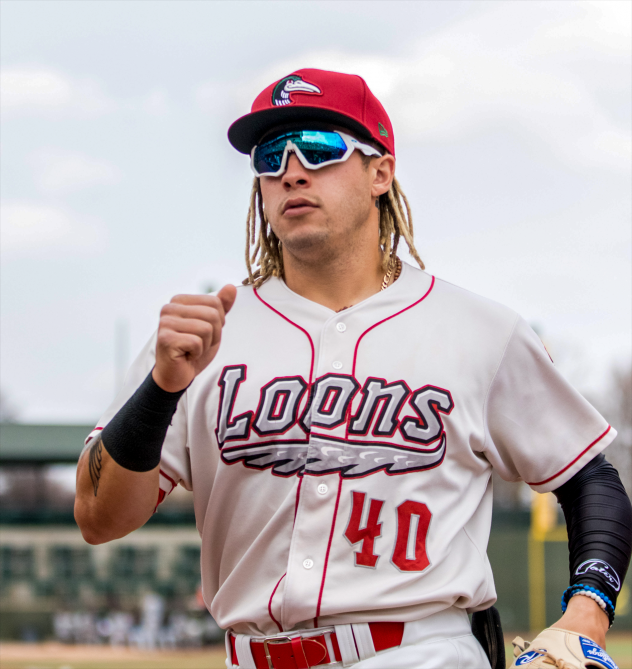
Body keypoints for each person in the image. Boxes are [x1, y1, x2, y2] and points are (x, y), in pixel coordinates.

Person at [74, 69, 631, 669]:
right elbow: (99, 517)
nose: (291, 170)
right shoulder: (202, 339)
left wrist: (586, 613)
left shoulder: (479, 330)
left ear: (380, 172)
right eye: (270, 156)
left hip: (420, 652)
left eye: (318, 147)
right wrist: (162, 389)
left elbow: (588, 478)